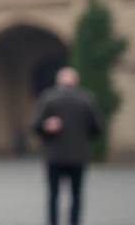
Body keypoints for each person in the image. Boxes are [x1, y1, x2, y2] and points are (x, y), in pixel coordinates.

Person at [34, 67, 104, 225]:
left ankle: (53, 222)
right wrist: (85, 138)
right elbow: (98, 128)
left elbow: (37, 126)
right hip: (78, 156)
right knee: (77, 194)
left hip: (54, 155)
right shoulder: (87, 99)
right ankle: (74, 222)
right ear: (76, 82)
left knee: (53, 195)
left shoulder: (48, 98)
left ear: (59, 82)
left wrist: (47, 127)